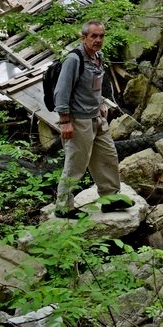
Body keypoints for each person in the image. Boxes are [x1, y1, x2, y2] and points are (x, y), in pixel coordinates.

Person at [52, 20, 130, 217]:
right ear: (83, 37)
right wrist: (65, 121)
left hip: (97, 118)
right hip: (78, 121)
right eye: (93, 36)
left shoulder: (97, 57)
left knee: (107, 157)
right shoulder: (74, 59)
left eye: (101, 36)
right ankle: (64, 207)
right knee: (76, 164)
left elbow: (94, 85)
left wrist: (101, 103)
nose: (98, 40)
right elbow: (61, 92)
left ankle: (110, 198)